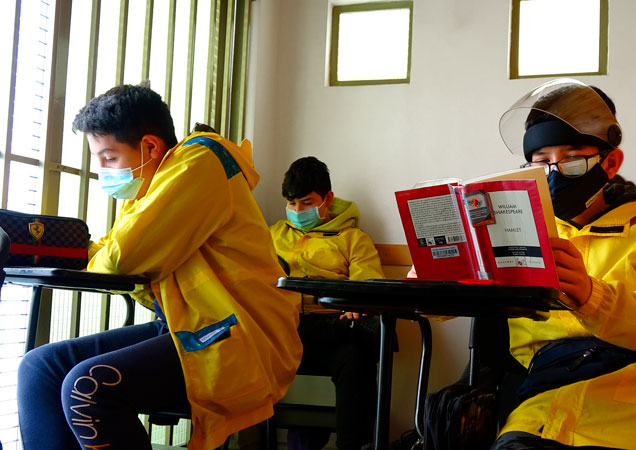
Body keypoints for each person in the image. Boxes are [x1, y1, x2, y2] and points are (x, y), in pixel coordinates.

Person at [16, 83, 302, 450]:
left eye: (109, 157)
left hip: (240, 336)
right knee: (39, 369)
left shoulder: (201, 162)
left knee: (87, 387)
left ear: (150, 146)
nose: (102, 171)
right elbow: (114, 248)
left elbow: (123, 257)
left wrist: (99, 256)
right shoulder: (155, 184)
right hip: (192, 325)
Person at [486, 78, 636, 449]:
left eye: (572, 160)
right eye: (541, 163)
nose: (555, 173)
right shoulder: (523, 233)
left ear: (610, 162)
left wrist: (595, 298)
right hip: (543, 402)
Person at [269, 156, 384, 450]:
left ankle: (354, 446)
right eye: (292, 203)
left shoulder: (353, 240)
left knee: (355, 357)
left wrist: (357, 307)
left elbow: (367, 291)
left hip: (333, 332)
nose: (297, 211)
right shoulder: (271, 236)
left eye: (307, 203)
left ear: (327, 199)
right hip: (282, 332)